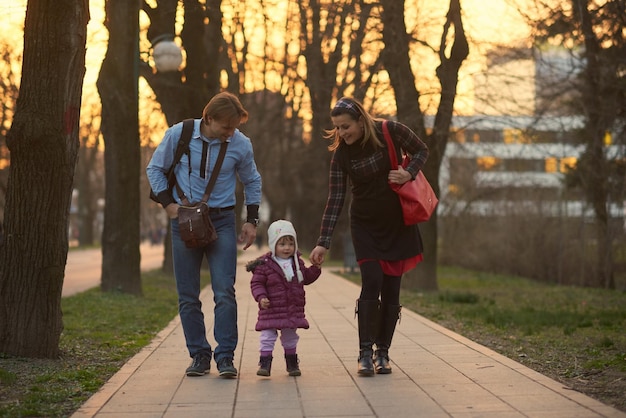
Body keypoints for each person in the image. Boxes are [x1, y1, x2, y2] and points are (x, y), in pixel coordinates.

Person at [309, 97, 429, 376]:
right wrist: (323, 241)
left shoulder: (391, 131)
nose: (341, 133)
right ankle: (364, 352)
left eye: (346, 127)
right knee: (372, 281)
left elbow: (422, 150)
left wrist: (408, 173)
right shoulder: (341, 155)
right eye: (337, 128)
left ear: (361, 121)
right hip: (364, 225)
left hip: (398, 223)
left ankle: (383, 354)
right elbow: (336, 197)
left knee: (392, 289)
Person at [146, 91, 262, 378]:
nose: (231, 132)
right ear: (209, 118)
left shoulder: (240, 144)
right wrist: (168, 205)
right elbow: (155, 169)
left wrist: (251, 220)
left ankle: (225, 357)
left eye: (234, 127)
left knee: (224, 290)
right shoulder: (179, 134)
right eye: (226, 126)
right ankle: (199, 355)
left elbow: (252, 180)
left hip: (222, 219)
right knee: (188, 294)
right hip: (183, 219)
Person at [247, 219, 321, 377]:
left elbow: (305, 278)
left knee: (290, 336)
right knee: (267, 336)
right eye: (282, 244)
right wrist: (261, 297)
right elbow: (257, 283)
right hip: (271, 308)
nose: (287, 248)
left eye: (290, 244)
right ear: (273, 245)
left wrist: (316, 269)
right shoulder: (264, 264)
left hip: (290, 308)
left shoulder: (297, 262)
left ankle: (292, 362)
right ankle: (265, 363)